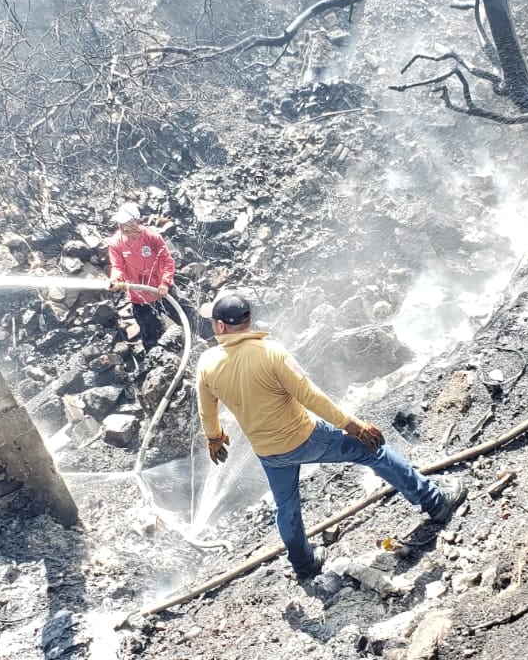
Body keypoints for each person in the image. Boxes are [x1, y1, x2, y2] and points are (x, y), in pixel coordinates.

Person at [195, 290, 466, 578]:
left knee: (286, 506)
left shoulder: (208, 364)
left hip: (268, 452)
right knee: (372, 451)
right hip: (306, 438)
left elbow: (207, 411)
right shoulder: (271, 353)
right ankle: (435, 502)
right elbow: (309, 396)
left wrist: (214, 438)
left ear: (221, 326)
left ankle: (303, 564)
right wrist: (353, 425)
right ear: (248, 320)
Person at [106, 202, 200, 350]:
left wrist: (165, 283)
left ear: (136, 221)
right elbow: (117, 266)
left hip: (163, 290)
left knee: (191, 318)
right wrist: (116, 279)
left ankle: (216, 339)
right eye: (121, 224)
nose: (123, 228)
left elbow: (167, 261)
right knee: (150, 336)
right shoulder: (116, 244)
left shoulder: (152, 237)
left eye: (127, 223)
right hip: (140, 297)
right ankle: (157, 363)